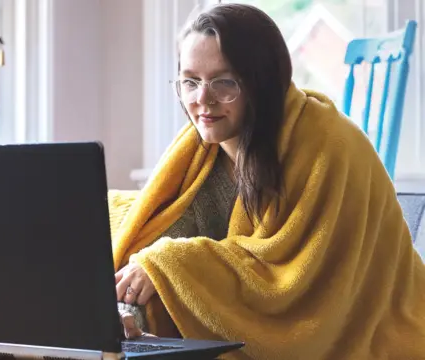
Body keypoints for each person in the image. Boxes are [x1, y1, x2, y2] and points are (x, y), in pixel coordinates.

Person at [108, 3, 425, 359]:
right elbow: (159, 244)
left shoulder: (330, 148)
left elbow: (296, 290)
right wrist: (127, 311)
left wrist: (169, 262)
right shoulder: (200, 153)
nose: (203, 100)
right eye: (190, 82)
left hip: (377, 333)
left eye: (225, 83)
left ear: (262, 82)